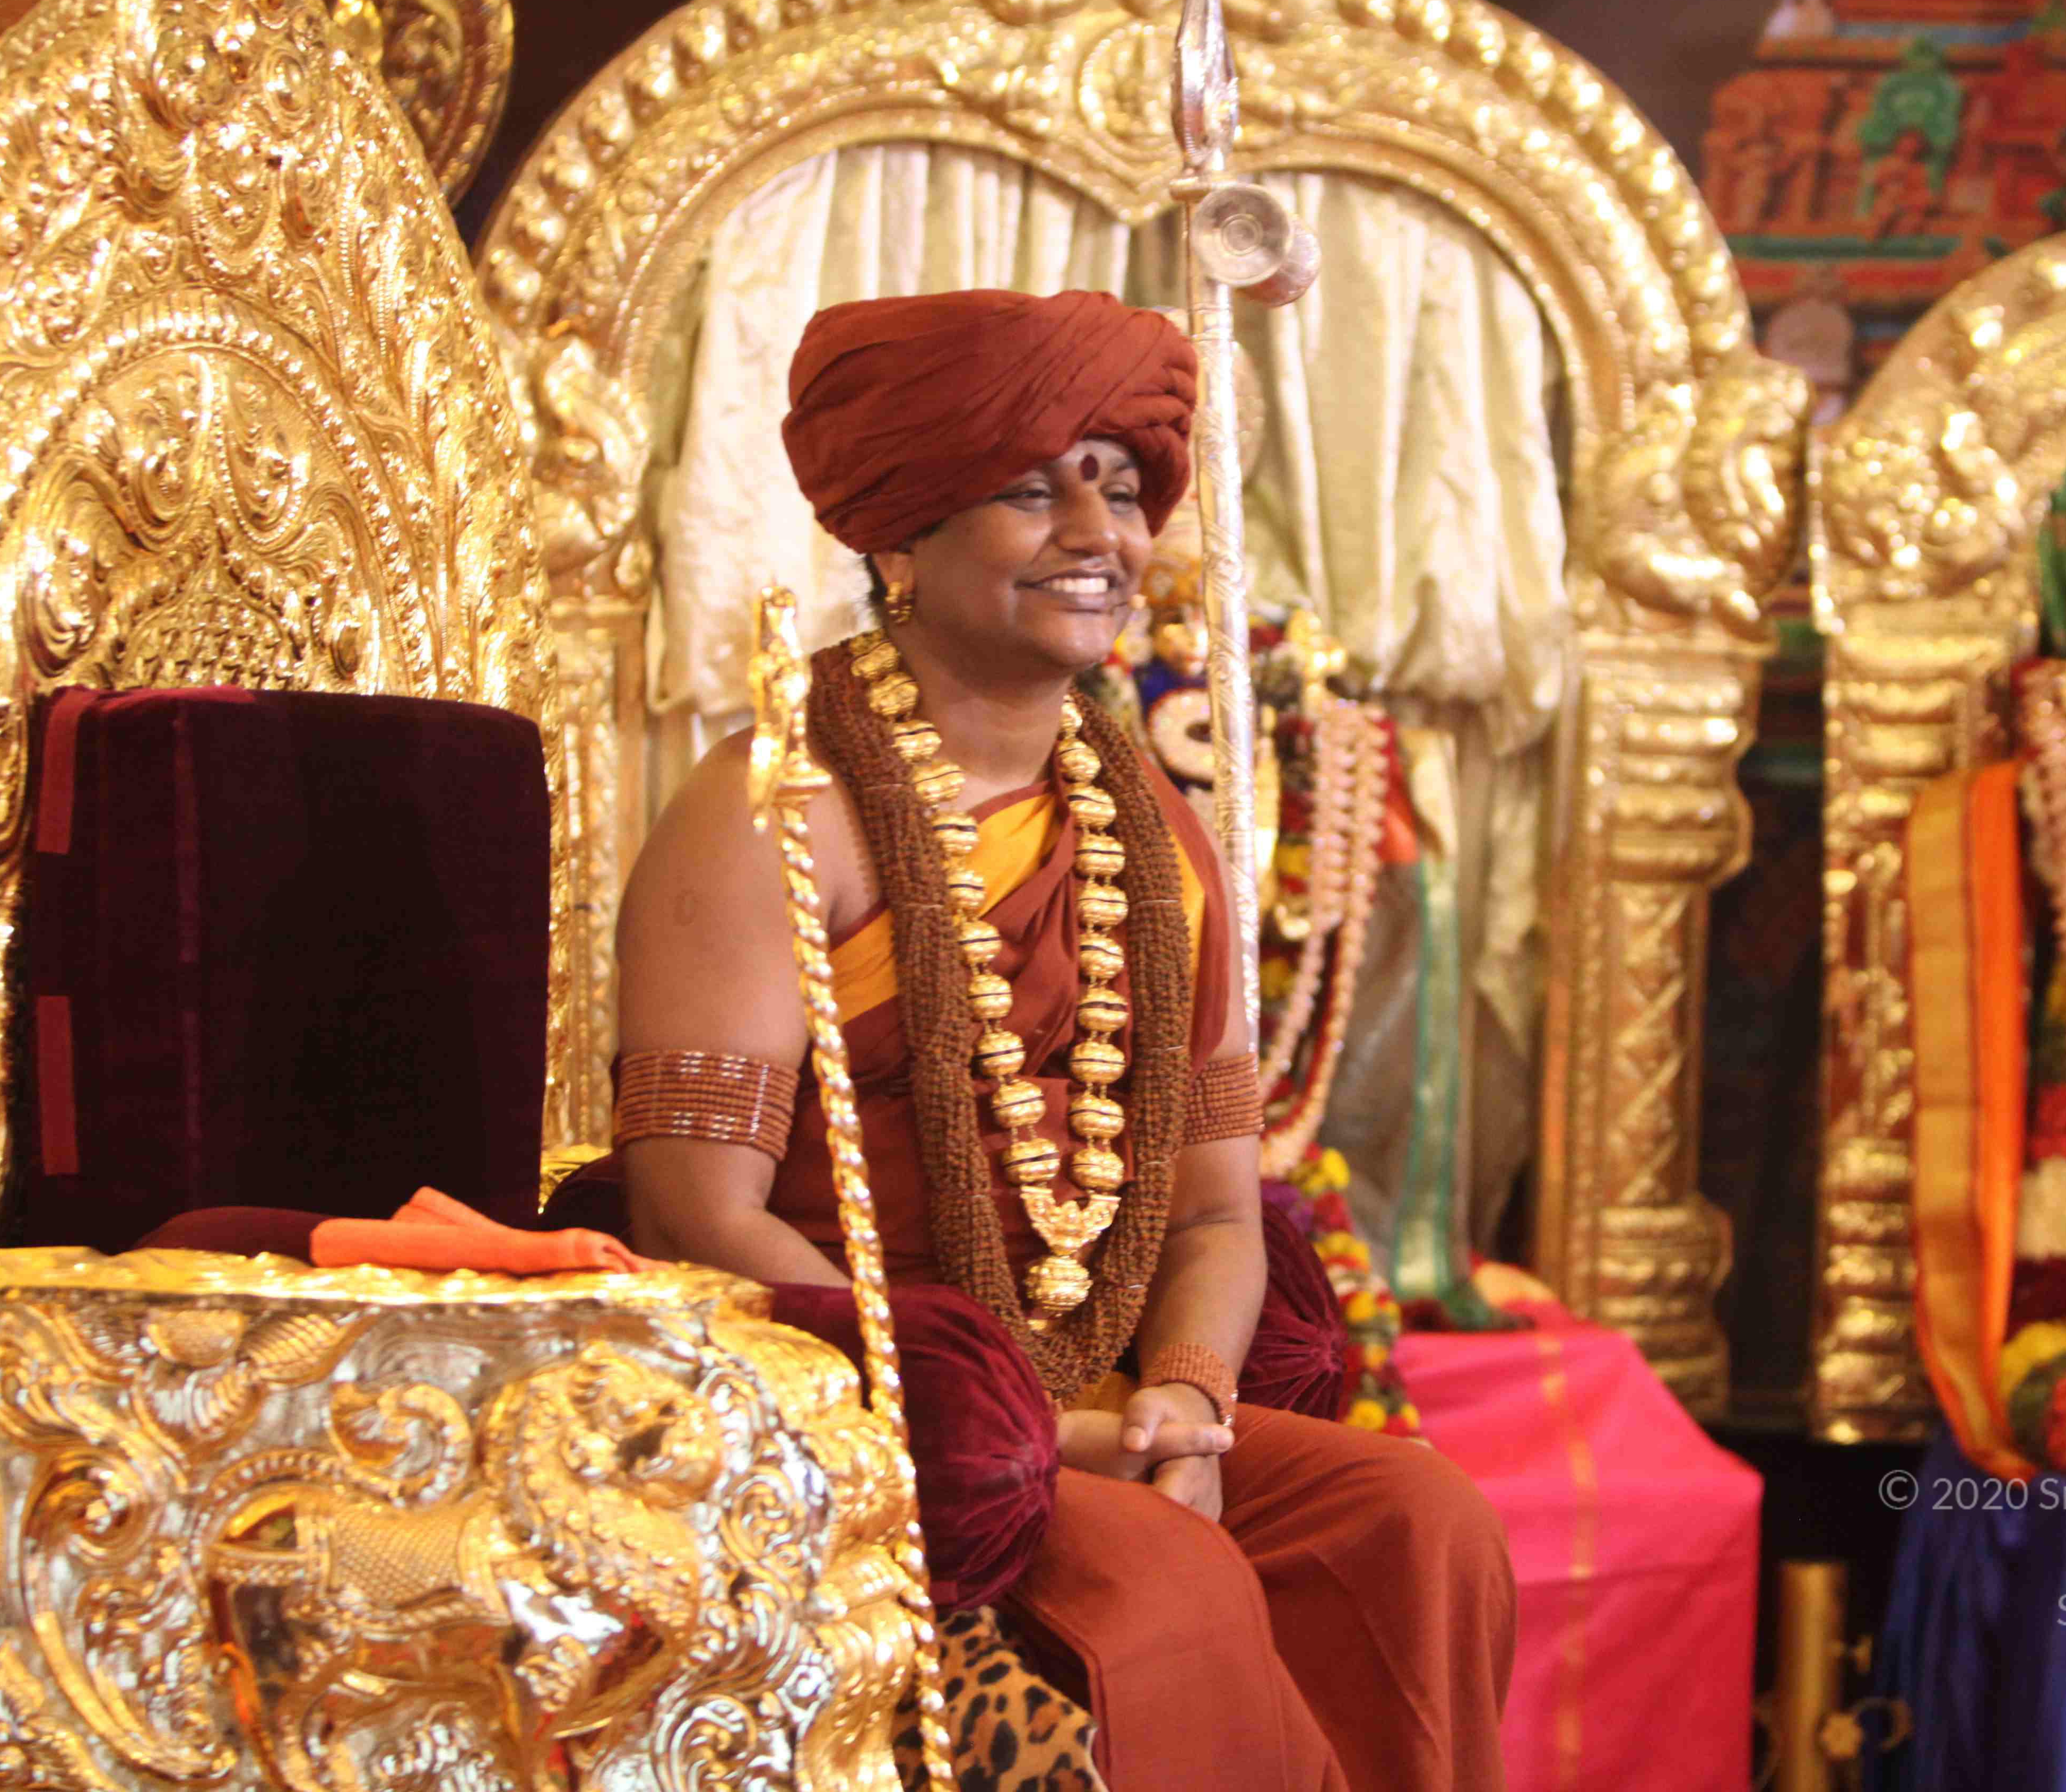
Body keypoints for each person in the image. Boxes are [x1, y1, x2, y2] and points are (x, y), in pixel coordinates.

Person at [609, 288, 1516, 1791]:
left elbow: (1217, 1211)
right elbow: (693, 1220)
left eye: (1122, 486)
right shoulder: (775, 809)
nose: (1100, 533)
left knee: (1420, 1523)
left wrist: (1189, 1404)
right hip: (856, 1409)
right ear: (899, 539)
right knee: (1170, 1591)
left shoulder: (1154, 835)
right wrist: (1022, 1429)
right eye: (1033, 492)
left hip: (1111, 1398)